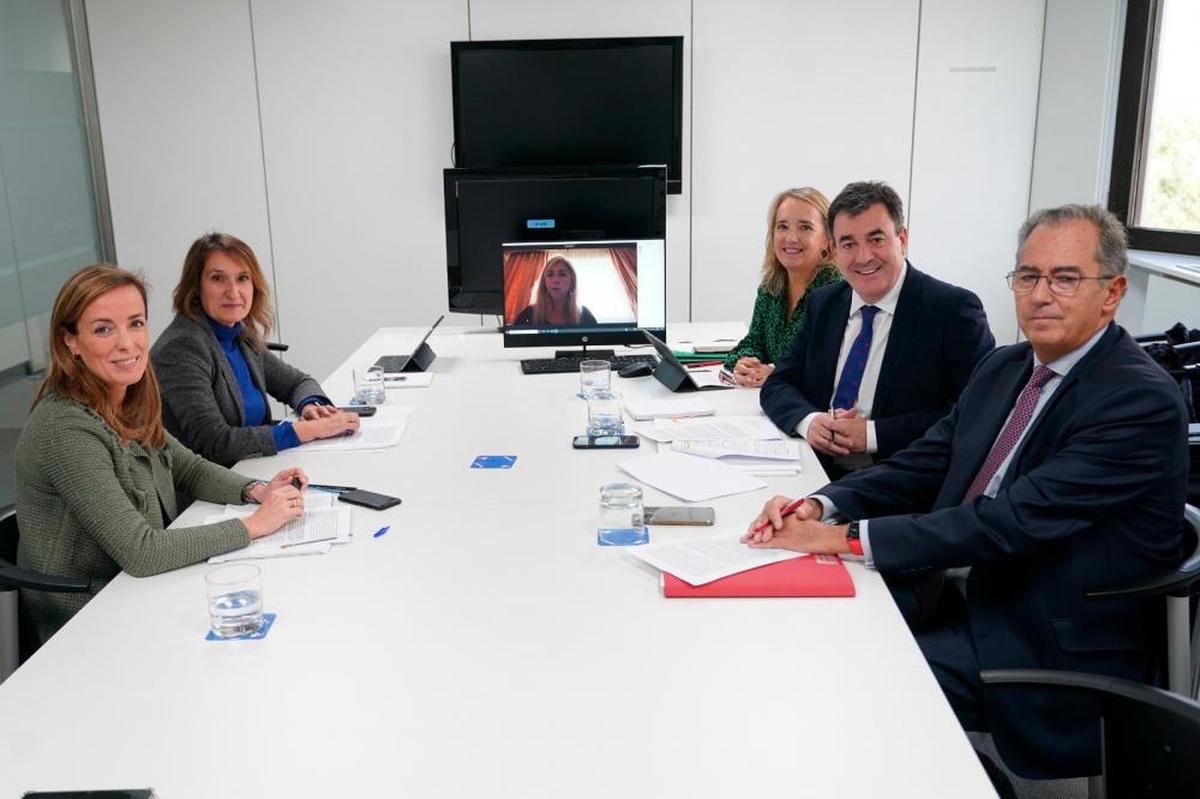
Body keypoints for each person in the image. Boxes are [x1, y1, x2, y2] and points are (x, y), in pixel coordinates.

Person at [744, 204, 1189, 780]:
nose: (1041, 294)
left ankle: (965, 778)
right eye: (1028, 276)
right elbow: (926, 461)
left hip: (1033, 628)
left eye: (1065, 277)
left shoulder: (1138, 402)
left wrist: (843, 538)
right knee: (798, 633)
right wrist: (823, 503)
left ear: (1113, 292)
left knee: (847, 682)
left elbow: (1009, 523)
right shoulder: (1007, 366)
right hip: (954, 585)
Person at [15, 265, 309, 649]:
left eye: (135, 323)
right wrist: (254, 525)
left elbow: (188, 467)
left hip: (142, 589)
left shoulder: (125, 396)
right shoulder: (65, 428)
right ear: (70, 340)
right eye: (104, 329)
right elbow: (142, 552)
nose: (127, 343)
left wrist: (256, 490)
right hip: (91, 617)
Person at [759, 181, 994, 478]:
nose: (864, 257)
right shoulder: (825, 303)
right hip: (814, 468)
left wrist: (872, 434)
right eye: (848, 244)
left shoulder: (952, 310)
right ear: (833, 249)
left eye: (876, 239)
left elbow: (978, 413)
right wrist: (811, 421)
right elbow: (779, 383)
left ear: (902, 239)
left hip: (901, 481)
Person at [151, 232, 359, 468]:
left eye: (242, 278)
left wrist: (311, 406)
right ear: (196, 287)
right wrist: (307, 430)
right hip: (207, 494)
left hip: (255, 470)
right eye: (218, 278)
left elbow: (296, 382)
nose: (233, 291)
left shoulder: (240, 336)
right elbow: (215, 443)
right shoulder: (181, 348)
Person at [722, 187, 841, 387]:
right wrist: (745, 362)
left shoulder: (836, 291)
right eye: (782, 226)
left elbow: (830, 367)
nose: (791, 238)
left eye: (805, 227)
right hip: (771, 400)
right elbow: (755, 341)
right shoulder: (771, 286)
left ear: (827, 239)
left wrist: (780, 374)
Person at [513, 256, 598, 326]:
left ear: (572, 282)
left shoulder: (584, 314)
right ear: (544, 282)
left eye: (562, 274)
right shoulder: (528, 314)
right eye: (550, 275)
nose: (555, 280)